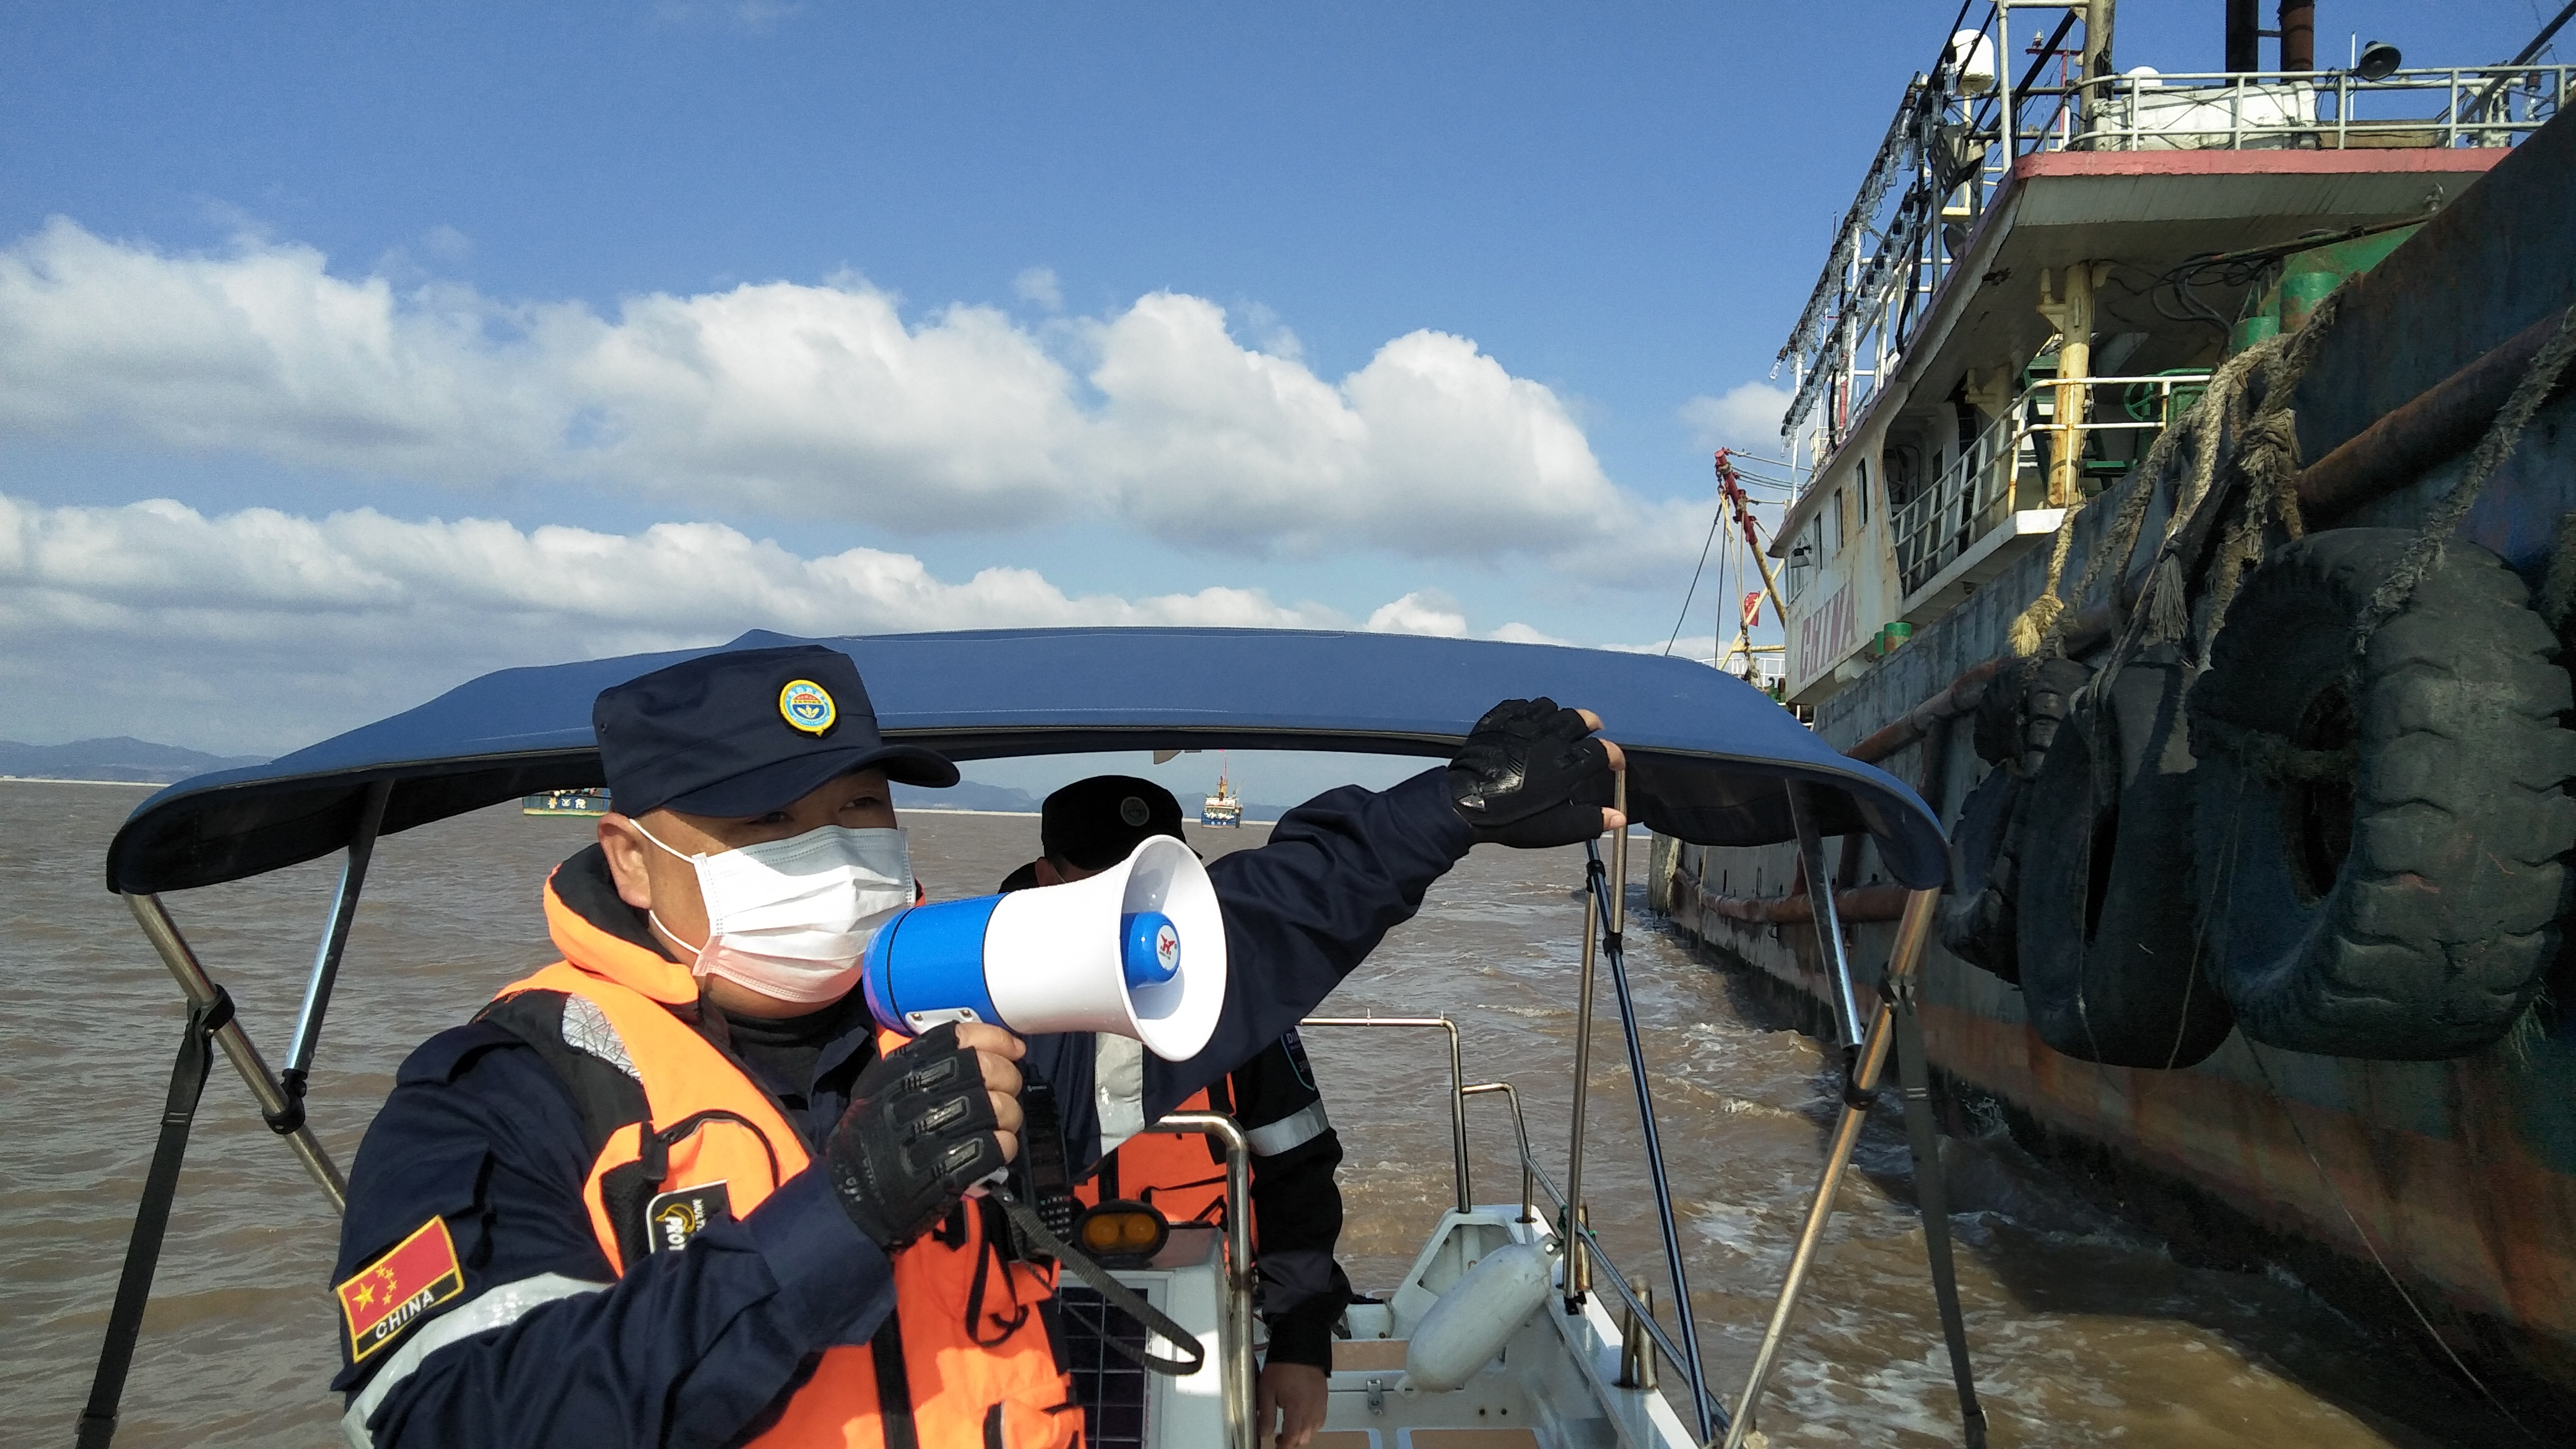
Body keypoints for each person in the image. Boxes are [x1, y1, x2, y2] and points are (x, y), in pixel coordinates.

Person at [327, 643, 1620, 1448]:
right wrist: (844, 1213)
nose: (834, 853)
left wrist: (1449, 807)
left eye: (858, 809)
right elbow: (460, 1413)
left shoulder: (975, 1032)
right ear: (630, 856)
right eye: (771, 821)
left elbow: (1257, 931)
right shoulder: (501, 1092)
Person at [1003, 777, 1350, 1449]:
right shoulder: (977, 990)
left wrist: (1300, 1344)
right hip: (1021, 1319)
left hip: (1210, 1314)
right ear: (1048, 877)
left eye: (1153, 876)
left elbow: (1299, 1173)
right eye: (1106, 876)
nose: (1132, 901)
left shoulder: (1231, 1002)